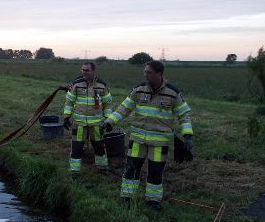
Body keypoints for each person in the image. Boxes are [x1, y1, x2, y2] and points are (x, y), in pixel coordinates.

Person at [102, 60, 193, 210]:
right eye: (145, 72)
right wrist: (109, 121)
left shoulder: (173, 93)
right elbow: (124, 108)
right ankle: (127, 197)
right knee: (131, 168)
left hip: (159, 143)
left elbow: (184, 115)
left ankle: (153, 201)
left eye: (149, 72)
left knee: (155, 172)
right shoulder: (138, 89)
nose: (145, 75)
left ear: (159, 74)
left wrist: (188, 135)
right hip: (138, 139)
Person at [62, 61, 113, 173]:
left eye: (87, 70)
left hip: (96, 124)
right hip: (79, 124)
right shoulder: (76, 84)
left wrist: (109, 120)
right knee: (77, 147)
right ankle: (74, 171)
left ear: (93, 71)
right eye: (82, 70)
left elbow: (107, 104)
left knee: (99, 146)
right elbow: (69, 102)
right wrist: (66, 117)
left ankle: (102, 167)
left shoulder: (102, 85)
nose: (84, 72)